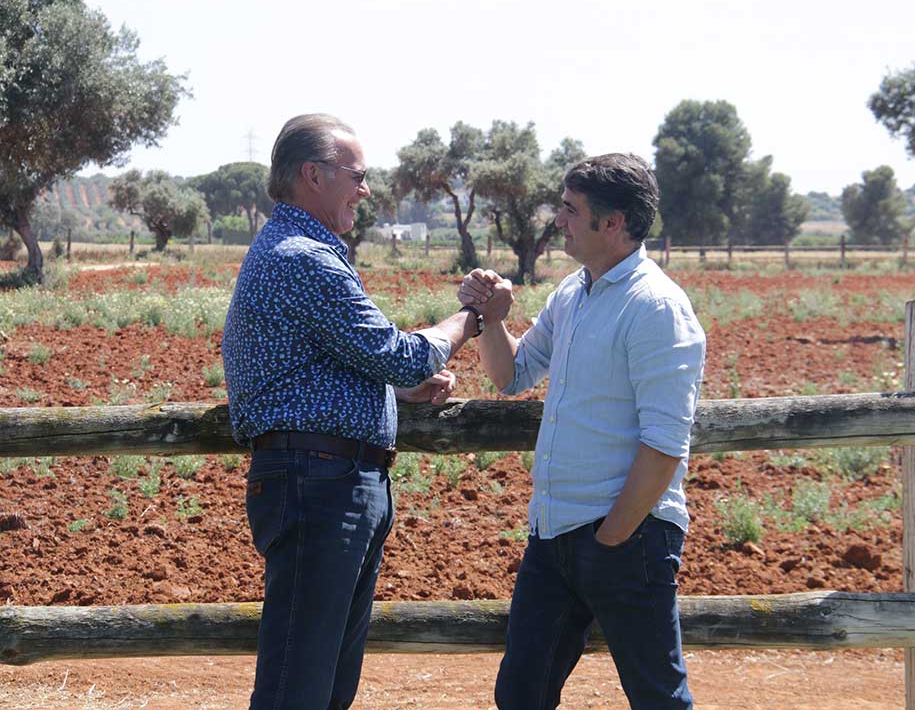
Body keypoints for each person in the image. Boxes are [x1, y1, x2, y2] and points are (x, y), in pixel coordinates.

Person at [221, 113, 488, 710]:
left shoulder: (294, 251)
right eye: (358, 175)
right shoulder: (303, 258)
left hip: (325, 480)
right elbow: (398, 353)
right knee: (300, 684)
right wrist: (466, 322)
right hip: (321, 485)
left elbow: (305, 375)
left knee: (320, 681)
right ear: (312, 175)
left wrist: (386, 399)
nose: (366, 189)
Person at [458, 153, 706, 709]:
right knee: (521, 694)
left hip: (626, 536)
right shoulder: (574, 292)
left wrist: (613, 537)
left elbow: (666, 443)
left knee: (658, 699)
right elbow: (510, 373)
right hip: (555, 534)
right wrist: (490, 317)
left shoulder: (657, 307)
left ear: (612, 223)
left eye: (571, 211)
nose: (559, 221)